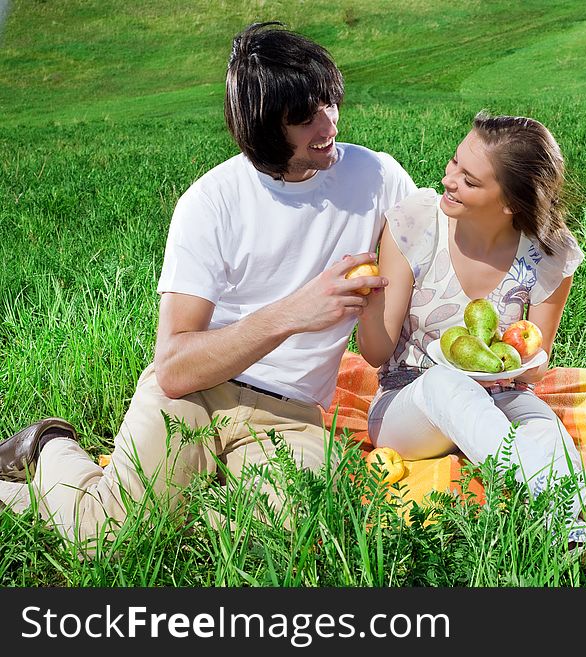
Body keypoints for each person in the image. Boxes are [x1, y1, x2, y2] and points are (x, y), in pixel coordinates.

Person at [0, 22, 416, 546]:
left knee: (299, 534)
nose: (329, 122)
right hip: (197, 393)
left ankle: (127, 504)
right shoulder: (211, 202)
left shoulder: (378, 178)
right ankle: (50, 446)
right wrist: (294, 312)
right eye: (305, 116)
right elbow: (174, 368)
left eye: (329, 100)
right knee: (107, 539)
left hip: (292, 414)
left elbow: (436, 240)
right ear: (266, 128)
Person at [356, 112, 586, 547]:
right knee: (448, 384)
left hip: (503, 395)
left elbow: (535, 367)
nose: (449, 179)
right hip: (407, 403)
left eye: (469, 180)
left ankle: (584, 531)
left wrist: (517, 364)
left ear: (509, 204)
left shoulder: (547, 253)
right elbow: (376, 352)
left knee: (545, 429)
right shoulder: (417, 222)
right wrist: (367, 302)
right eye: (454, 163)